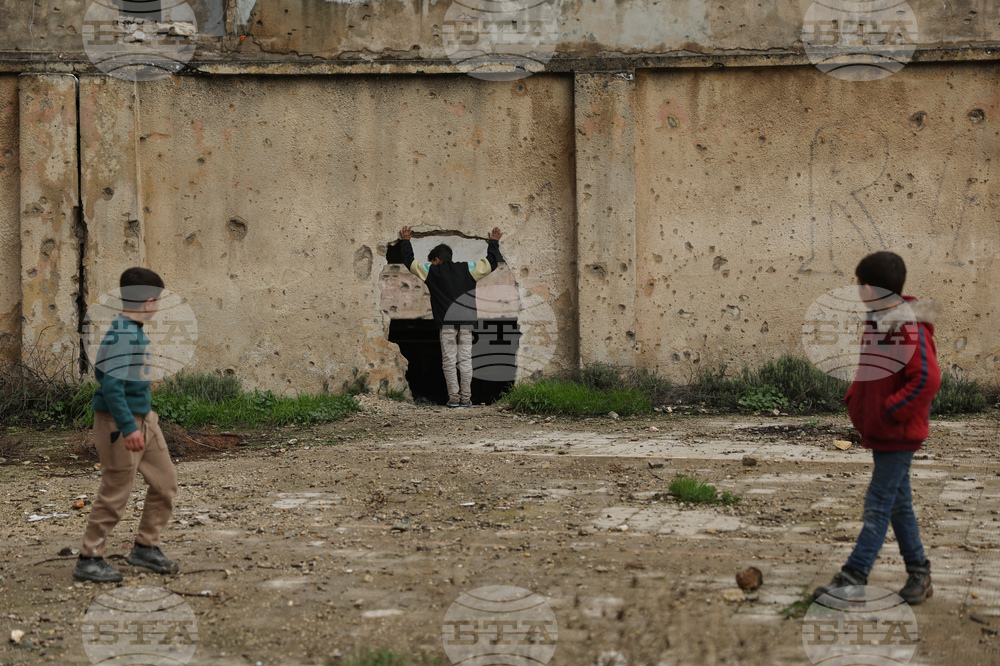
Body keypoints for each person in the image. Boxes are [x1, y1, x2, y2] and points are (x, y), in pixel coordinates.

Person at [813, 251, 941, 605]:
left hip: (898, 433)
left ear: (868, 288)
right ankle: (920, 574)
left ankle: (853, 577)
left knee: (878, 505)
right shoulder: (881, 321)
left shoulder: (905, 325)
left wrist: (890, 411)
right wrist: (856, 399)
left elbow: (927, 379)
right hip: (886, 431)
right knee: (898, 505)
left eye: (858, 284)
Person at [74, 267, 180, 583]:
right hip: (119, 425)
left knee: (165, 483)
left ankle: (146, 547)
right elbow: (111, 387)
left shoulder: (133, 330)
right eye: (158, 300)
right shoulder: (122, 334)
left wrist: (143, 423)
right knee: (116, 492)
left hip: (145, 421)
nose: (157, 306)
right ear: (148, 301)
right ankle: (88, 558)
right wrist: (129, 427)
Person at [399, 226, 502, 407]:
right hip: (467, 322)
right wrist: (493, 241)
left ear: (436, 260)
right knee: (465, 360)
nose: (430, 264)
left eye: (432, 261)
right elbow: (491, 263)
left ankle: (453, 399)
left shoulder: (432, 271)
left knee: (448, 361)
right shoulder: (469, 268)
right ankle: (466, 399)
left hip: (446, 323)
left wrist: (406, 241)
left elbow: (410, 263)